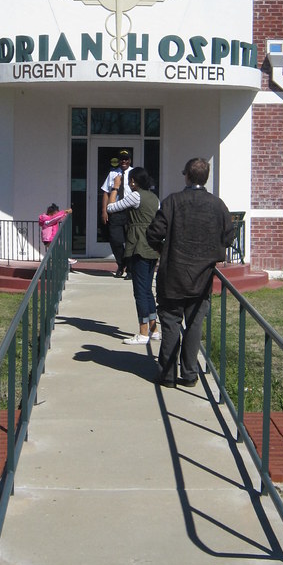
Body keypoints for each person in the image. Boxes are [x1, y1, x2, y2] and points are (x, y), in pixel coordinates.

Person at [145, 157, 235, 387]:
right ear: (205, 178)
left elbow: (154, 233)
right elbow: (228, 236)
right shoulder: (218, 205)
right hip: (202, 275)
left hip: (173, 274)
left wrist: (166, 250)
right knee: (194, 324)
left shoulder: (173, 201)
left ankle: (167, 375)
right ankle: (189, 373)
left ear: (186, 176)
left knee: (171, 323)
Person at [106, 166, 160, 345]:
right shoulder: (154, 198)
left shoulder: (136, 196)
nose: (129, 183)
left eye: (130, 180)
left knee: (139, 291)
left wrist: (114, 188)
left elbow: (111, 207)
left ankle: (143, 332)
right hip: (153, 245)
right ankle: (154, 329)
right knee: (147, 290)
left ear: (134, 181)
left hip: (139, 245)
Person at [100, 149, 132, 277]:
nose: (123, 161)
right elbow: (106, 193)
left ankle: (130, 269)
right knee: (115, 240)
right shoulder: (113, 173)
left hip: (130, 211)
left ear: (130, 160)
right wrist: (104, 211)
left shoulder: (133, 173)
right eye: (121, 159)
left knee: (130, 241)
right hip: (115, 211)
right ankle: (121, 264)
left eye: (126, 159)